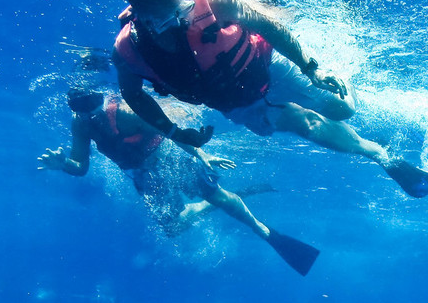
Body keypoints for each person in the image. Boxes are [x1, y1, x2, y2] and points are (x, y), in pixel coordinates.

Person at [111, 0, 428, 199]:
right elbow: (132, 94)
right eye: (159, 23)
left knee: (344, 108)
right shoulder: (128, 49)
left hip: (266, 64)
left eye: (180, 12)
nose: (175, 26)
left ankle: (339, 74)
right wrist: (172, 131)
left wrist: (312, 69)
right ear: (138, 15)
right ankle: (380, 155)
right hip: (239, 102)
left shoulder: (215, 3)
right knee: (305, 125)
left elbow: (269, 25)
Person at [38, 87, 320, 275]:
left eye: (91, 111)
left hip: (168, 157)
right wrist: (64, 165)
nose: (88, 118)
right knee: (172, 228)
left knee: (216, 196)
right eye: (81, 112)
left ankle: (264, 232)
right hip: (142, 176)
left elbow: (172, 133)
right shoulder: (81, 124)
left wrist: (202, 155)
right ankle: (225, 200)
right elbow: (81, 166)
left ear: (100, 103)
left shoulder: (126, 113)